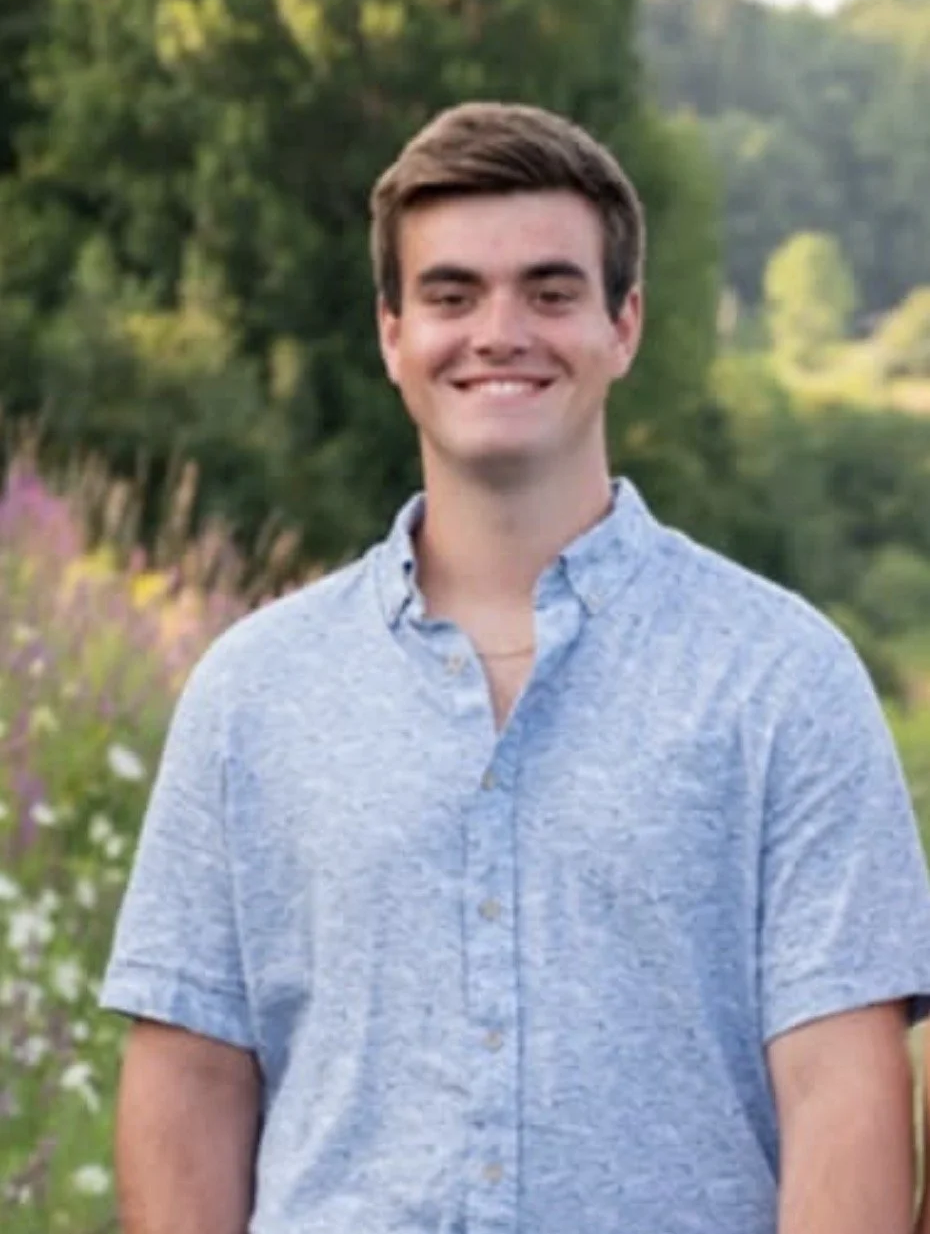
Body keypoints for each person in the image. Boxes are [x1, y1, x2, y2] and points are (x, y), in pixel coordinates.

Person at [100, 102, 930, 1234]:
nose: (500, 331)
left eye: (550, 290)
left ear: (623, 324)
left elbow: (844, 1089)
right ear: (392, 332)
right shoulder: (252, 696)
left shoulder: (784, 681)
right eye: (450, 294)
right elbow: (192, 1075)